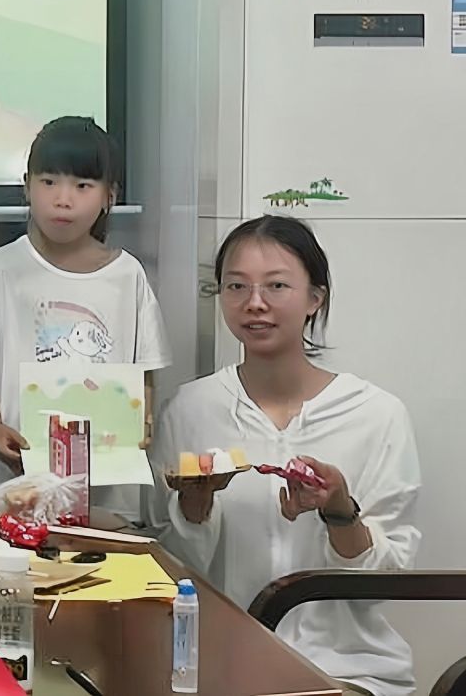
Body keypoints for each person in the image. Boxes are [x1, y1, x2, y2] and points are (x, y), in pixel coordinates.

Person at [156, 216, 421, 696]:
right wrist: (195, 508)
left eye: (276, 286)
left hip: (345, 671)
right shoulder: (189, 410)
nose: (254, 303)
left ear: (315, 297)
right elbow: (171, 578)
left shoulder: (376, 416)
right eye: (236, 286)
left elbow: (387, 581)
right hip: (219, 669)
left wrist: (339, 512)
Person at [0, 115, 168, 523]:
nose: (63, 199)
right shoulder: (1, 269)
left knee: (106, 559)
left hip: (109, 483)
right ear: (27, 186)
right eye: (49, 181)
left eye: (82, 186)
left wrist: (145, 419)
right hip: (23, 477)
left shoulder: (128, 275)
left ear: (109, 196)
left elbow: (146, 369)